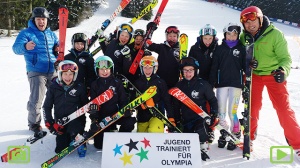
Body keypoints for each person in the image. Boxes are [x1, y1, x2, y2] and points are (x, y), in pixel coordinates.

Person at [239, 6, 300, 159]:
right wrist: (246, 64)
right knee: (252, 107)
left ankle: (298, 143)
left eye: (253, 19)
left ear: (260, 19)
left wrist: (282, 71)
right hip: (254, 76)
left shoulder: (275, 35)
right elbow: (239, 57)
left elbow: (285, 58)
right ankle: (249, 137)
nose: (249, 24)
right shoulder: (243, 37)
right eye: (245, 22)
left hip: (273, 74)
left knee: (283, 109)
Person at [12, 7, 59, 136]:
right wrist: (25, 46)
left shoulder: (51, 34)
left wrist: (57, 48)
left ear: (47, 20)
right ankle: (34, 124)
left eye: (43, 19)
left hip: (53, 71)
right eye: (38, 19)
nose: (41, 22)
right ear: (34, 20)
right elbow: (15, 49)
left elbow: (57, 46)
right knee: (37, 98)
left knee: (59, 96)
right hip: (36, 71)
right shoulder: (26, 33)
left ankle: (59, 121)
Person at [173, 57, 219, 161]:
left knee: (200, 129)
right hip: (186, 119)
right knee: (187, 138)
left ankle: (203, 148)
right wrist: (176, 119)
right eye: (185, 70)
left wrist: (214, 114)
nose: (188, 73)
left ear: (195, 71)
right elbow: (176, 105)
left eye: (190, 70)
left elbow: (213, 100)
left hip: (200, 118)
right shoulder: (179, 86)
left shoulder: (203, 84)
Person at [209, 23, 246, 150]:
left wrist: (251, 65)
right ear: (225, 35)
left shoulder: (242, 49)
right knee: (221, 113)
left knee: (232, 112)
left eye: (234, 34)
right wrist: (211, 82)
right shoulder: (219, 49)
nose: (231, 37)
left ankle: (235, 135)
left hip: (236, 85)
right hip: (222, 85)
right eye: (229, 34)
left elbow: (245, 67)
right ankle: (224, 134)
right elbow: (214, 67)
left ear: (238, 35)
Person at [87, 56, 136, 150]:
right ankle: (105, 132)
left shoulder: (117, 82)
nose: (104, 72)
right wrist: (94, 120)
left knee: (129, 122)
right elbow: (93, 104)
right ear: (97, 70)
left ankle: (121, 139)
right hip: (102, 118)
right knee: (99, 145)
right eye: (102, 69)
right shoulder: (94, 84)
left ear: (111, 69)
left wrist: (125, 110)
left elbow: (123, 99)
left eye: (107, 69)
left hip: (116, 114)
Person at [43, 60, 88, 157]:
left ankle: (80, 140)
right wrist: (50, 123)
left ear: (75, 75)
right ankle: (68, 138)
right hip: (60, 122)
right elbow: (46, 106)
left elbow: (85, 104)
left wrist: (92, 109)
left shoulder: (80, 87)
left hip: (76, 121)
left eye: (71, 74)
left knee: (74, 131)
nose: (68, 77)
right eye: (65, 74)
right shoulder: (53, 88)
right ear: (60, 74)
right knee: (60, 149)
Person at [134, 56, 175, 133]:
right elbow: (132, 101)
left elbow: (167, 101)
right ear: (141, 68)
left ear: (154, 68)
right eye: (145, 68)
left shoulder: (160, 82)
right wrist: (140, 104)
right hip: (142, 117)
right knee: (142, 141)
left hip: (157, 116)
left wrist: (171, 118)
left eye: (150, 68)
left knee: (154, 132)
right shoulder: (137, 82)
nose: (147, 70)